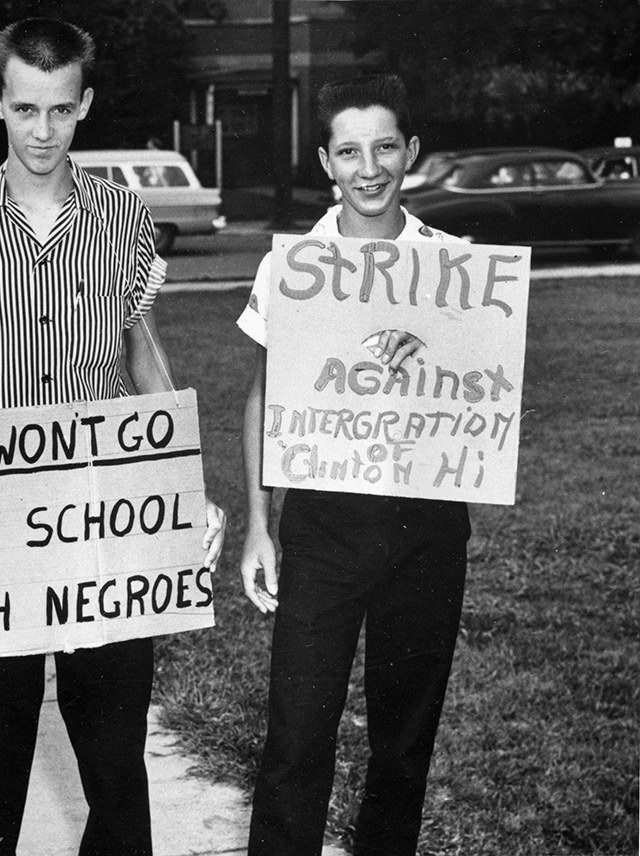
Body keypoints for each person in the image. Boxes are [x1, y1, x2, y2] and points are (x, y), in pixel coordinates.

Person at [0, 18, 226, 856]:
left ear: (85, 106)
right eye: (26, 109)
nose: (42, 131)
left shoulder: (124, 218)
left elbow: (140, 347)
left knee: (114, 762)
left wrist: (183, 484)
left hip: (97, 516)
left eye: (61, 111)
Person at [236, 74, 471, 856]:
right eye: (348, 151)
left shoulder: (455, 265)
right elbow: (265, 397)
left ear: (411, 152)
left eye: (383, 148)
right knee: (298, 735)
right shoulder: (297, 266)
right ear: (324, 162)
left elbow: (477, 395)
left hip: (425, 525)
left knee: (404, 741)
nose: (368, 168)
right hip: (325, 526)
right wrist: (258, 527)